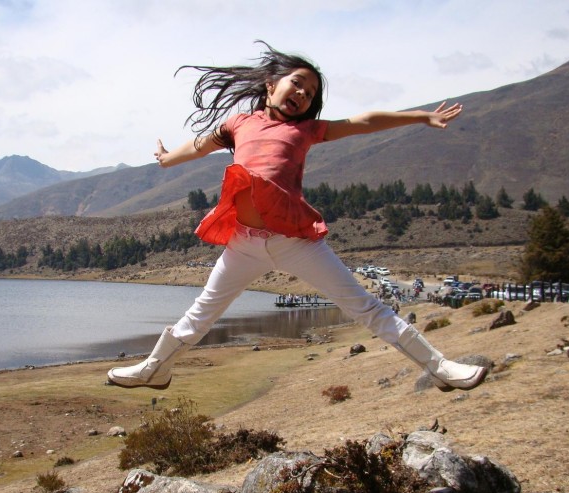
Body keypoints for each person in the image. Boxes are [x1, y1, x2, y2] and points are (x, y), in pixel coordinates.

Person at [107, 41, 487, 393]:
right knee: (201, 312)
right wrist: (167, 159)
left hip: (296, 242)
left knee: (366, 307)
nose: (304, 94)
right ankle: (156, 369)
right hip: (244, 244)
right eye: (298, 83)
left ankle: (440, 368)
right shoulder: (240, 123)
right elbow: (200, 145)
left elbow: (363, 121)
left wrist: (420, 117)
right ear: (271, 85)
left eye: (311, 93)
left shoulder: (307, 129)